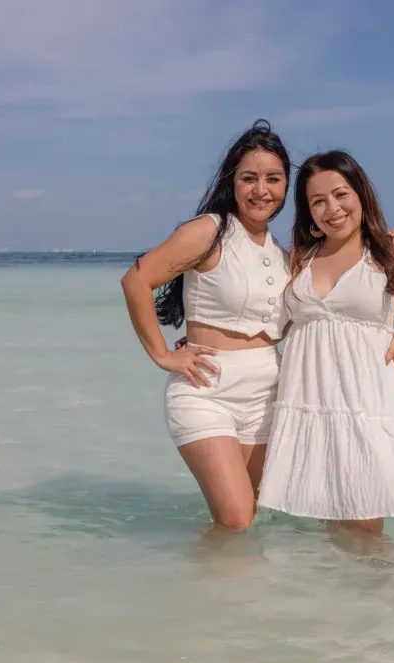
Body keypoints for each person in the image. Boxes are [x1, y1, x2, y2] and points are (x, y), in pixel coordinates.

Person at [257, 150, 394, 533]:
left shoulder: (392, 252)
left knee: (363, 530)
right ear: (308, 212)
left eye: (341, 194)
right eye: (318, 201)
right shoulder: (302, 256)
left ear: (361, 193)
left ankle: (388, 593)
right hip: (308, 402)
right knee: (326, 527)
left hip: (364, 401)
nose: (332, 208)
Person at [120, 119, 293, 531]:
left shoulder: (282, 252)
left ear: (287, 186)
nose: (261, 190)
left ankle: (226, 594)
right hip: (207, 391)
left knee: (250, 518)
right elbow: (136, 280)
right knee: (236, 520)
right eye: (249, 178)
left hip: (265, 397)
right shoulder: (210, 231)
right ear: (231, 182)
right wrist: (162, 355)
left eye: (273, 178)